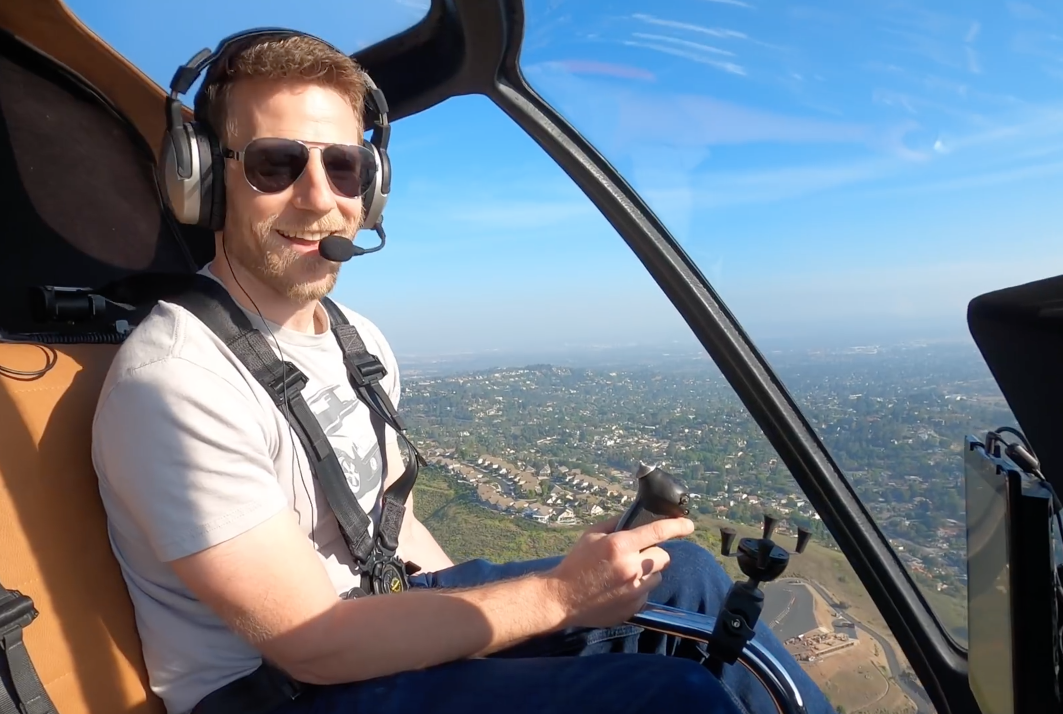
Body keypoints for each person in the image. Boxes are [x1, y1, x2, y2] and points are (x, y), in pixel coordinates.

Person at [91, 30, 838, 714]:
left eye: (342, 166)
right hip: (275, 690)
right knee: (670, 695)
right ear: (202, 181)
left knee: (681, 573)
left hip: (374, 618)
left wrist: (509, 628)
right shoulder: (176, 379)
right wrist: (556, 598)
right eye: (274, 164)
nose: (319, 198)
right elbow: (309, 644)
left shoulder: (359, 341)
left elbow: (391, 520)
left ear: (370, 186)